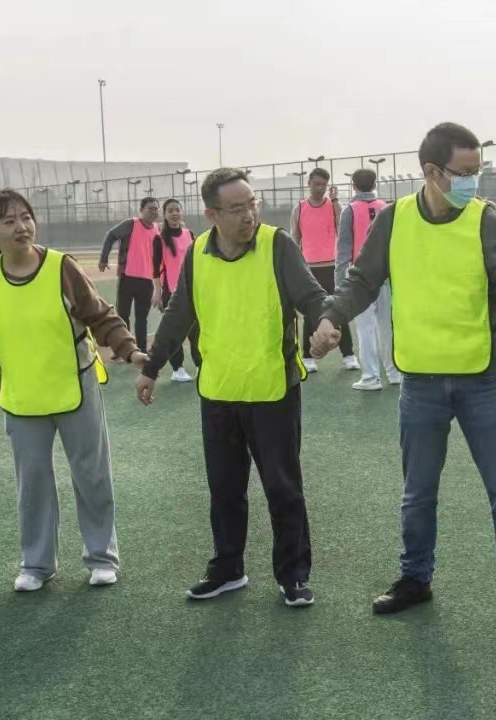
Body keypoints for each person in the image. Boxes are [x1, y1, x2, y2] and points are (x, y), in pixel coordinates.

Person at [311, 122, 496, 626]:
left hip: (481, 379)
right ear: (432, 172)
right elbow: (362, 280)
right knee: (417, 494)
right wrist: (331, 317)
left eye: (478, 171)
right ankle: (415, 578)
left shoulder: (485, 219)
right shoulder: (394, 220)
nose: (474, 181)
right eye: (465, 172)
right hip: (421, 383)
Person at [136, 168, 327, 608]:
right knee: (224, 490)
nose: (249, 215)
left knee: (283, 488)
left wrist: (325, 322)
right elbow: (179, 313)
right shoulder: (198, 253)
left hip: (272, 391)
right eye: (237, 208)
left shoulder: (278, 245)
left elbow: (312, 296)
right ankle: (227, 569)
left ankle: (293, 575)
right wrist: (152, 366)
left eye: (252, 204)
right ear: (212, 215)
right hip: (218, 391)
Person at [0, 190, 146, 592]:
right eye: (9, 220)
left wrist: (130, 351)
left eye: (26, 217)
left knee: (91, 475)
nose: (21, 227)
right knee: (33, 484)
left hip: (74, 387)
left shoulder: (62, 267)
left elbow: (101, 315)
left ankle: (101, 558)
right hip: (22, 398)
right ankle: (37, 564)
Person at [335, 168, 400, 390]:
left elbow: (343, 250)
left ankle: (371, 377)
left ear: (353, 186)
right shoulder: (387, 208)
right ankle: (394, 373)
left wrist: (339, 284)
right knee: (388, 328)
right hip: (386, 277)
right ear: (375, 185)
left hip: (360, 279)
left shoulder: (349, 211)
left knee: (366, 329)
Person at [291, 167, 358, 373]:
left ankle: (348, 355)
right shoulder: (299, 208)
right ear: (309, 184)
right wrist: (296, 265)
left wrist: (336, 201)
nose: (320, 188)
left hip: (332, 267)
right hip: (309, 268)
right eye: (316, 184)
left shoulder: (334, 206)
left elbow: (342, 227)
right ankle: (308, 356)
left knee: (338, 309)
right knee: (310, 313)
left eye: (324, 185)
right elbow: (295, 237)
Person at [99, 197, 161, 357]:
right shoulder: (131, 224)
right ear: (141, 210)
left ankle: (141, 349)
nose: (154, 212)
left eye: (156, 209)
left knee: (142, 317)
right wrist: (104, 258)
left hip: (147, 280)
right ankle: (122, 350)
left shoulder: (157, 229)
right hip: (127, 277)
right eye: (150, 208)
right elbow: (111, 235)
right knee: (123, 315)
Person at [152, 197, 201, 382]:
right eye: (170, 210)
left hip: (193, 290)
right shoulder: (159, 239)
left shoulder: (190, 234)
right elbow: (155, 269)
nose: (174, 213)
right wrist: (157, 292)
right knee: (175, 332)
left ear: (182, 212)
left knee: (197, 332)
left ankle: (200, 364)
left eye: (177, 210)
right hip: (171, 293)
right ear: (164, 215)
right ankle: (177, 369)